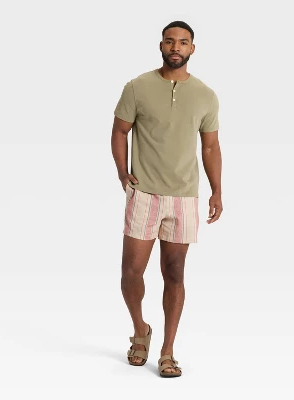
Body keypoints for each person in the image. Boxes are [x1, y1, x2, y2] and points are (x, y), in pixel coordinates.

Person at [111, 20, 223, 377]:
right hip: (144, 193)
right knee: (131, 273)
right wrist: (122, 172)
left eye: (183, 42)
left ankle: (168, 350)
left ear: (192, 49)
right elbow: (119, 130)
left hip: (183, 197)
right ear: (161, 45)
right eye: (170, 41)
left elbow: (210, 146)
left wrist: (217, 189)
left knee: (175, 272)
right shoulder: (137, 87)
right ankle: (140, 330)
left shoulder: (205, 95)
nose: (176, 47)